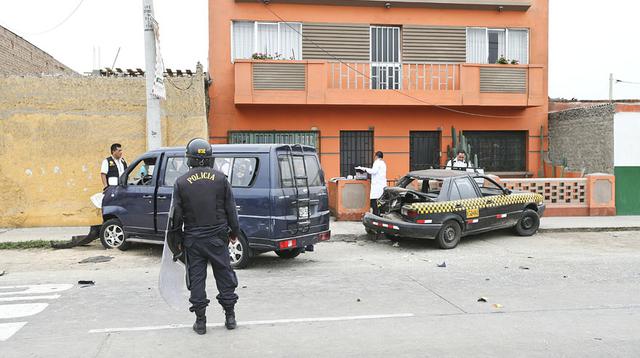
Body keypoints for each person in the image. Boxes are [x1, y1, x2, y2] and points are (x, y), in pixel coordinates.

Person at [170, 138, 240, 335]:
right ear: (209, 158)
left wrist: (176, 243)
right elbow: (231, 210)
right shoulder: (221, 179)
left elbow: (176, 216)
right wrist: (234, 232)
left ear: (190, 159)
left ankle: (200, 322)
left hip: (193, 240)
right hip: (218, 238)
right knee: (224, 275)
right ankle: (230, 317)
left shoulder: (181, 182)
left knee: (197, 279)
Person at [356, 151, 387, 216]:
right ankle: (381, 214)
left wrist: (364, 169)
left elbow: (373, 171)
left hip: (377, 185)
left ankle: (375, 215)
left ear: (376, 156)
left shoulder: (377, 162)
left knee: (374, 200)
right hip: (382, 184)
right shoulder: (383, 163)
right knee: (380, 200)